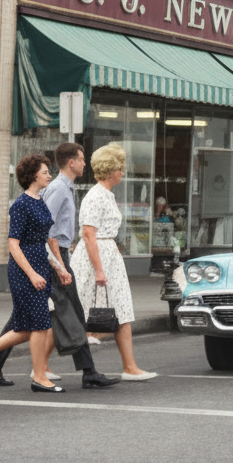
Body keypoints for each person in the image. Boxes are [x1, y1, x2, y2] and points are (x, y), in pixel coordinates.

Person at [0, 143, 119, 389]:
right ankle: (88, 371)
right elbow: (43, 229)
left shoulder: (64, 188)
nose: (84, 163)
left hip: (58, 252)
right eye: (81, 159)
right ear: (71, 162)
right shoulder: (58, 189)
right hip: (52, 254)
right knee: (69, 311)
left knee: (29, 316)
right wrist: (59, 264)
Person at [0, 155, 64, 392]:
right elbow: (13, 244)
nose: (49, 175)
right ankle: (40, 377)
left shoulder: (40, 201)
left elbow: (43, 242)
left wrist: (58, 267)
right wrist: (32, 274)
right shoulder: (21, 204)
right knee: (40, 325)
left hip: (40, 265)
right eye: (45, 172)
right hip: (24, 270)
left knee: (26, 328)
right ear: (34, 175)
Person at [70, 143, 156, 381]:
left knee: (122, 311)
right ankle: (41, 366)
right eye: (120, 168)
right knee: (74, 314)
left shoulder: (106, 195)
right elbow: (88, 233)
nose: (123, 172)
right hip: (95, 259)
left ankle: (130, 366)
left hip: (108, 255)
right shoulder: (96, 196)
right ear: (111, 170)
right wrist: (99, 269)